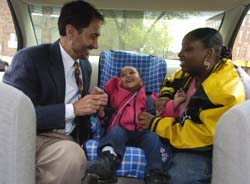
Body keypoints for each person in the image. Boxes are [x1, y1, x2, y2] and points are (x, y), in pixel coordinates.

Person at [3, 1, 108, 184]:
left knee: (73, 156)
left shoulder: (84, 66)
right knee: (72, 157)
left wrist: (94, 103)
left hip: (65, 142)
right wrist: (73, 109)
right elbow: (13, 117)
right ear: (70, 31)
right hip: (32, 137)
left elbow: (78, 109)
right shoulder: (30, 59)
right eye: (92, 36)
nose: (95, 45)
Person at [139, 27, 250, 184]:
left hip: (204, 148)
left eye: (188, 49)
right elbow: (171, 81)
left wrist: (155, 124)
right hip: (178, 130)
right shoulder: (193, 71)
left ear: (208, 54)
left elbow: (204, 135)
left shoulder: (226, 88)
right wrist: (165, 96)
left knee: (180, 176)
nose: (180, 54)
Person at [87, 66, 169, 184]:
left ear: (141, 81)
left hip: (142, 133)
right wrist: (101, 113)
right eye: (123, 75)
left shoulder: (150, 97)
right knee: (115, 131)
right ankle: (107, 159)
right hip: (121, 131)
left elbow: (164, 111)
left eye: (132, 73)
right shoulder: (114, 97)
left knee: (152, 137)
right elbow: (106, 117)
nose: (128, 76)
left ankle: (155, 172)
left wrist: (172, 104)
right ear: (119, 82)